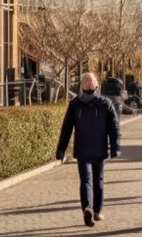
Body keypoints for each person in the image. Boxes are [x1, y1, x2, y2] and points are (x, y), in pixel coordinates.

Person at [56, 73, 121, 227]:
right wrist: (62, 148)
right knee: (92, 180)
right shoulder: (77, 105)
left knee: (92, 180)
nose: (88, 83)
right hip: (88, 149)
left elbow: (114, 127)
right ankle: (91, 210)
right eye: (86, 80)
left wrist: (115, 146)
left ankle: (92, 209)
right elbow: (67, 128)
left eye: (89, 80)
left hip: (94, 149)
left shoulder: (104, 104)